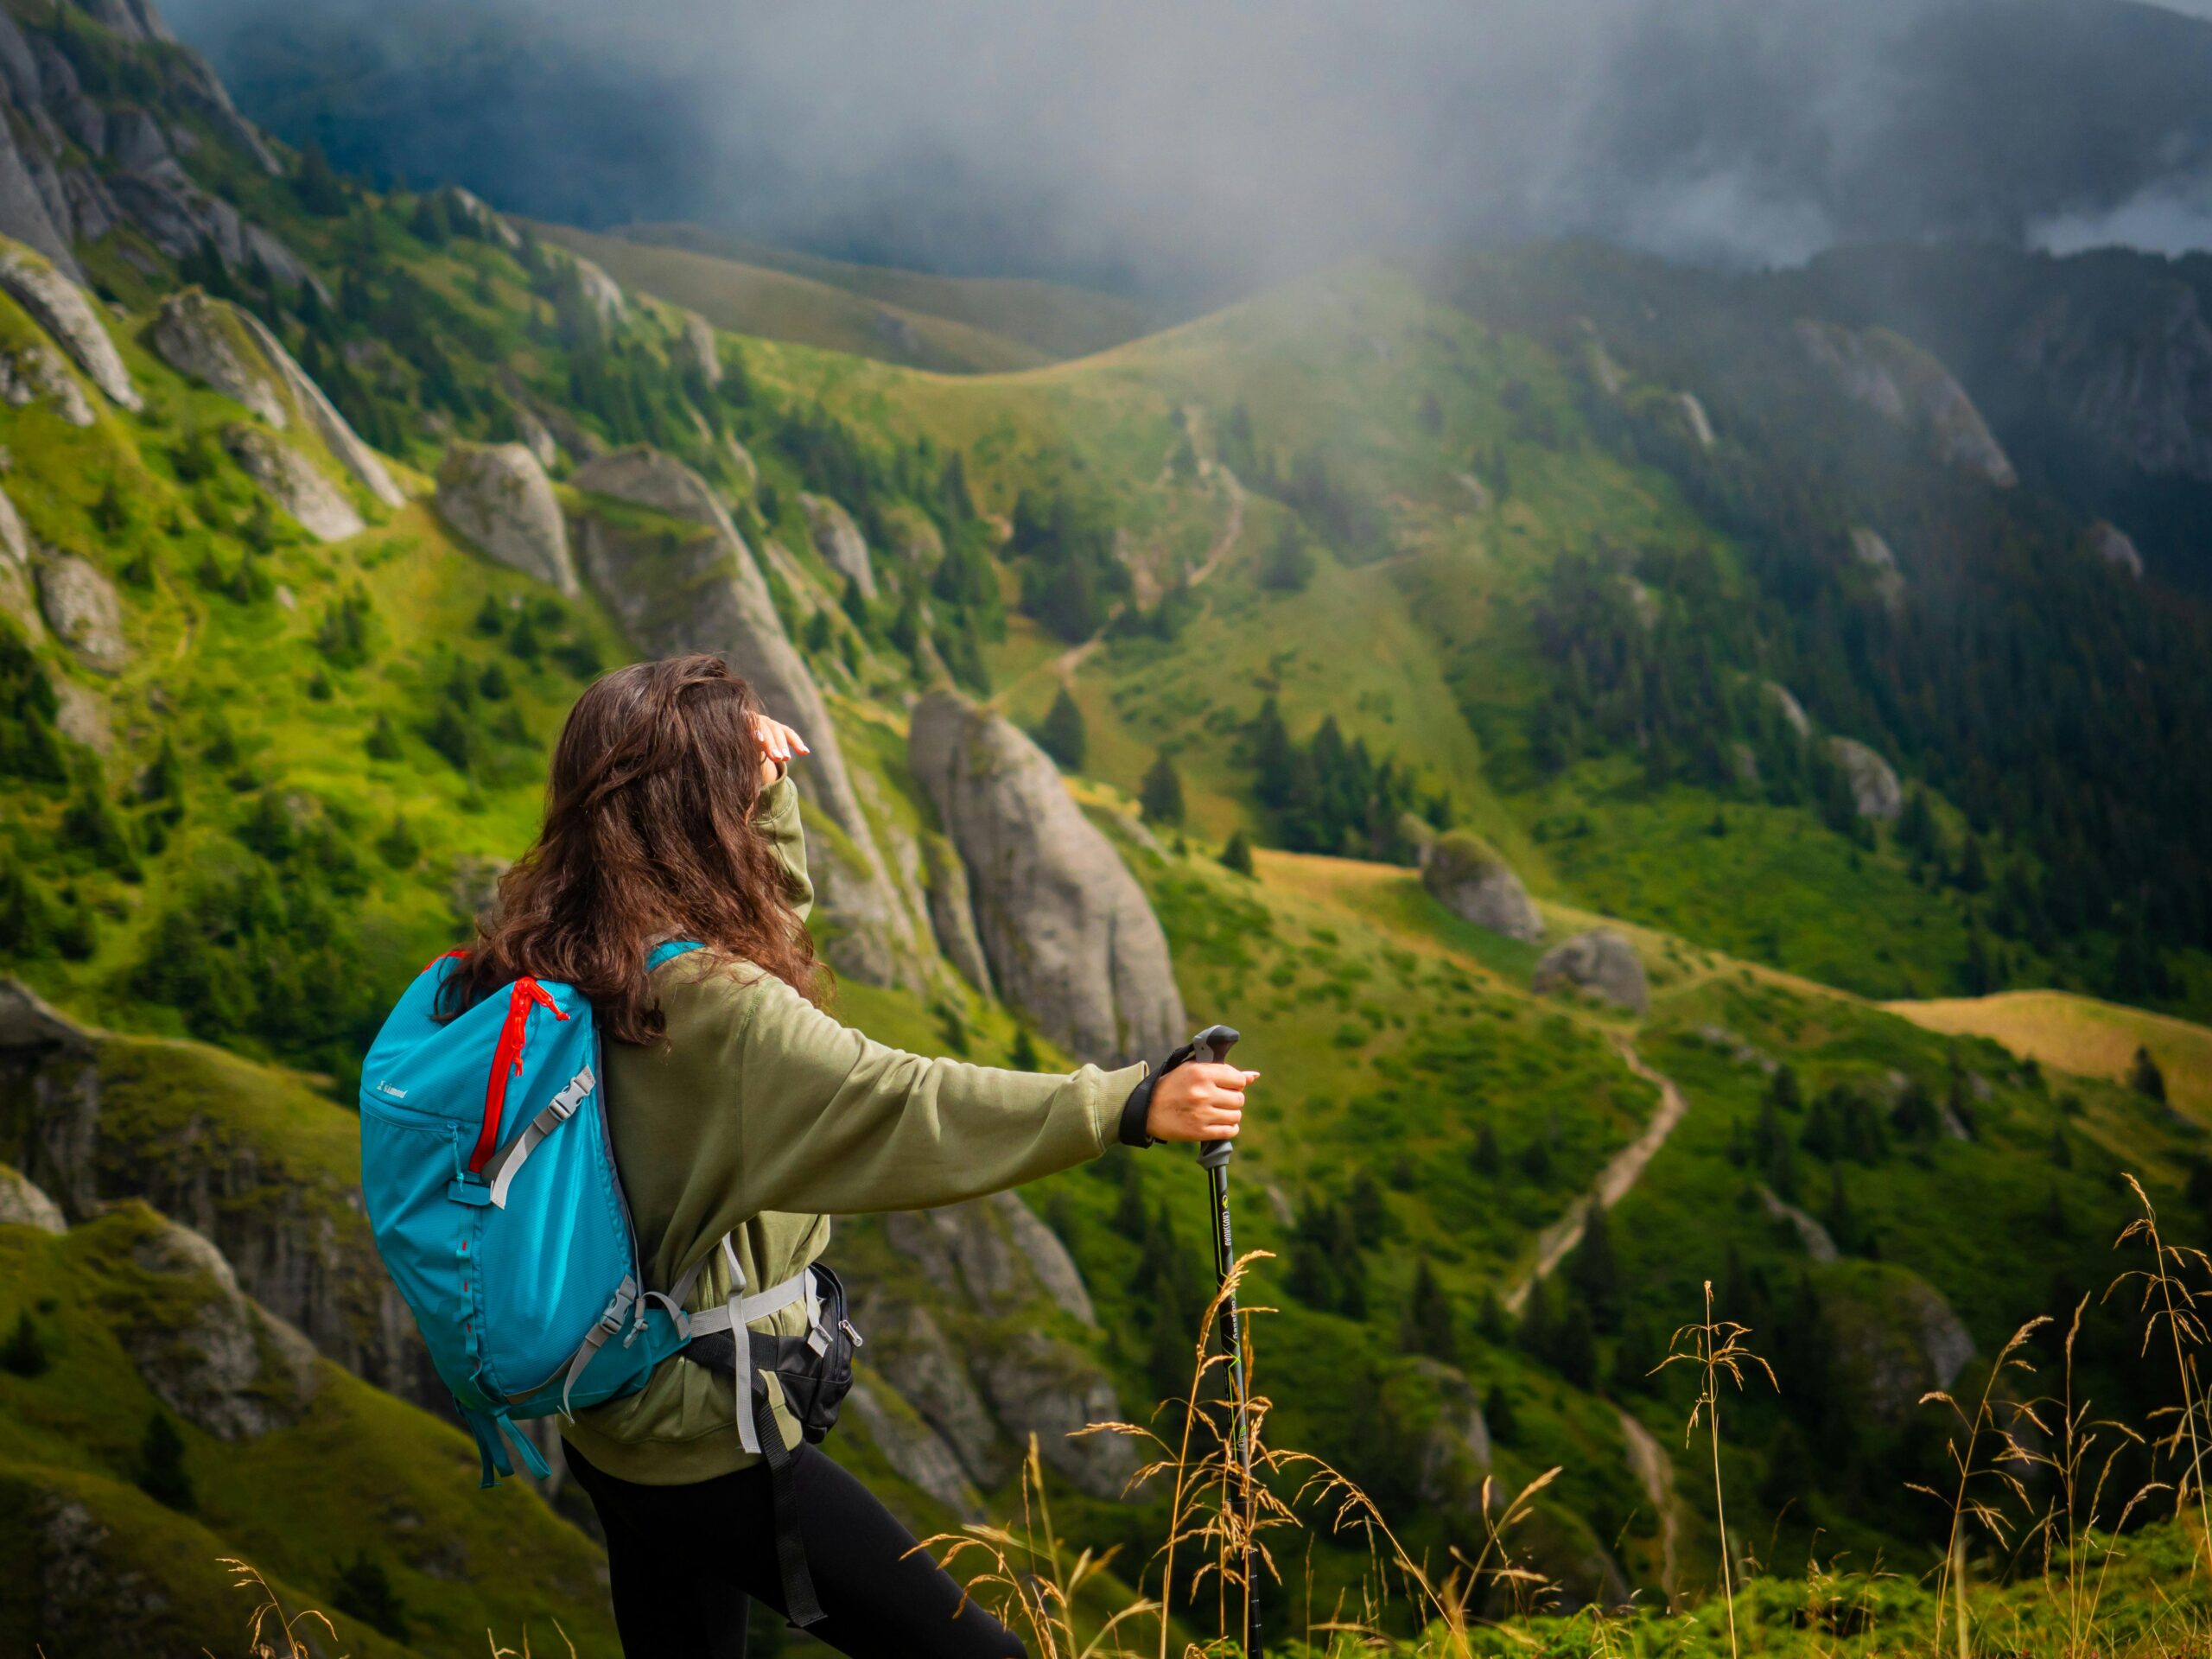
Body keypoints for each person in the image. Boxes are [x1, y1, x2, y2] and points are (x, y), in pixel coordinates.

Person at [438, 654, 1257, 1658]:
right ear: (700, 811)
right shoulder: (715, 1016)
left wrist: (767, 798)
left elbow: (740, 938)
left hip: (614, 1412)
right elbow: (904, 1103)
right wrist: (1127, 1105)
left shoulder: (555, 949)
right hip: (711, 1435)